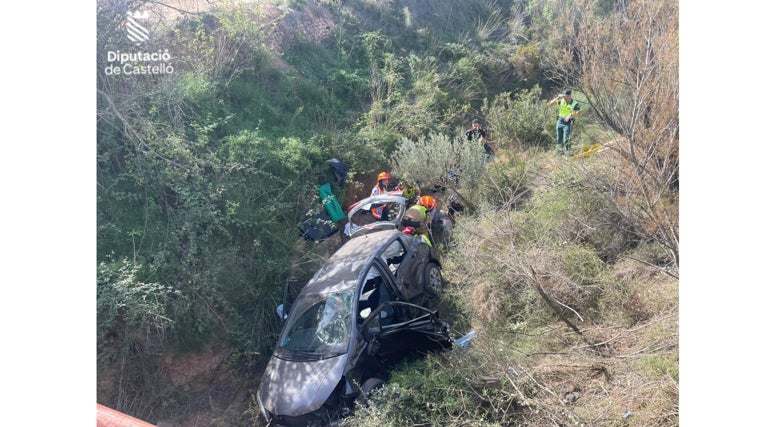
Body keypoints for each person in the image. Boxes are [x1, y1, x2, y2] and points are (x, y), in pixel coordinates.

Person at [549, 89, 581, 154]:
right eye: (564, 96)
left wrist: (571, 114)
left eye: (566, 96)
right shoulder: (562, 101)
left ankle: (567, 153)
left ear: (570, 96)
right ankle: (558, 151)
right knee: (559, 138)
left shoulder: (575, 103)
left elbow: (579, 113)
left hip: (568, 123)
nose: (565, 97)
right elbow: (551, 103)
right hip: (559, 121)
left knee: (566, 138)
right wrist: (558, 97)